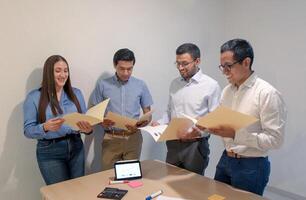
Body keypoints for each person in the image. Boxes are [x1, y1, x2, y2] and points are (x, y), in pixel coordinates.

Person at [198, 39, 287, 195]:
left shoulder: (266, 93)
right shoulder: (227, 91)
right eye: (222, 66)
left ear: (246, 62)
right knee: (215, 198)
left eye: (228, 66)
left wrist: (235, 134)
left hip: (252, 166)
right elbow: (224, 121)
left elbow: (275, 139)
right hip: (226, 159)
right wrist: (209, 125)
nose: (224, 71)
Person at [152, 43, 221, 175]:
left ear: (197, 61)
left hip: (195, 145)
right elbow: (169, 111)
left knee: (193, 187)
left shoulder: (211, 85)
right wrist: (160, 123)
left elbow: (215, 120)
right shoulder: (174, 83)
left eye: (184, 63)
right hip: (173, 143)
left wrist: (200, 131)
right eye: (177, 63)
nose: (180, 67)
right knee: (170, 182)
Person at [23, 55, 93, 185]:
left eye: (66, 70)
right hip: (49, 151)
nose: (63, 74)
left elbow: (86, 120)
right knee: (59, 195)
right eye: (58, 70)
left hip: (76, 146)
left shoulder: (76, 93)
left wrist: (88, 130)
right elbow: (27, 130)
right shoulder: (34, 97)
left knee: (78, 191)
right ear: (49, 73)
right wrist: (45, 127)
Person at [90, 48, 153, 171]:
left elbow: (148, 114)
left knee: (130, 177)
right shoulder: (103, 85)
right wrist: (101, 121)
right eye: (122, 68)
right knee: (107, 176)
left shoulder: (140, 85)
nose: (125, 73)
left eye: (129, 69)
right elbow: (93, 111)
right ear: (115, 65)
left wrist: (143, 122)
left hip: (133, 138)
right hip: (111, 137)